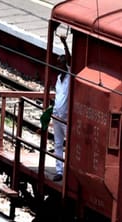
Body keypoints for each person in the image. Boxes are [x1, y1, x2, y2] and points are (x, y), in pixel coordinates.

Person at [52, 34, 71, 182]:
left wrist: (64, 43)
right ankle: (59, 170)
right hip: (57, 115)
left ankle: (68, 170)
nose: (58, 67)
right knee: (58, 143)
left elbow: (70, 58)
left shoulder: (69, 76)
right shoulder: (59, 79)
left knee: (69, 144)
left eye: (61, 64)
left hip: (66, 117)